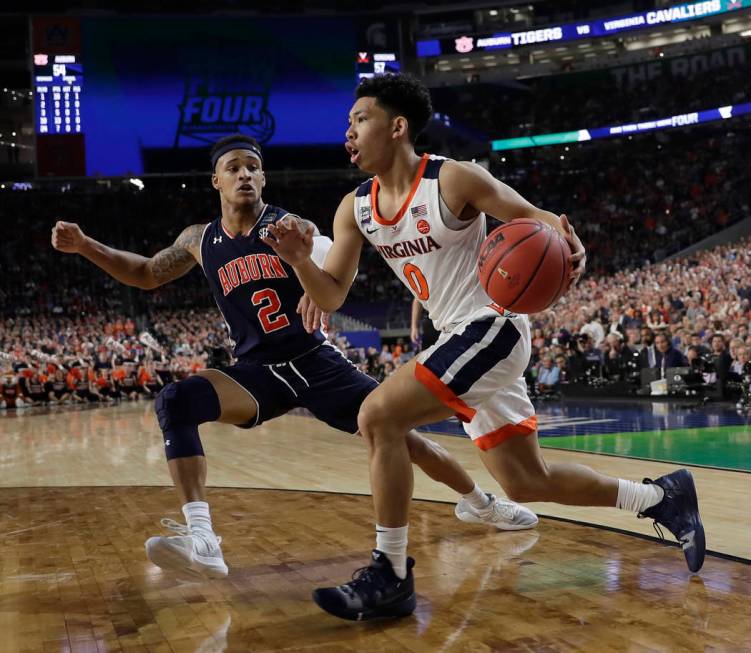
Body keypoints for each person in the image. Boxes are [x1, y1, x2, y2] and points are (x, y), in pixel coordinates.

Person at [263, 73, 705, 621]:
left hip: (492, 326)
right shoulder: (353, 209)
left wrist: (573, 245)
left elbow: (538, 221)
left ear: (397, 127)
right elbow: (329, 297)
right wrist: (300, 261)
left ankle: (391, 573)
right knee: (525, 481)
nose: (347, 133)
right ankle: (663, 497)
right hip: (460, 340)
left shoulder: (454, 180)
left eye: (359, 119)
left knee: (376, 415)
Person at [51, 133, 536, 582]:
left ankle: (480, 502)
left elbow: (330, 268)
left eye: (253, 168)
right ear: (215, 180)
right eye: (234, 168)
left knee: (404, 440)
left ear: (263, 178)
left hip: (315, 362)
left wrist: (315, 281)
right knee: (176, 402)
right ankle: (202, 539)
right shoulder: (199, 240)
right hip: (256, 373)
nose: (245, 175)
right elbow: (146, 273)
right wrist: (84, 246)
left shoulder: (289, 226)